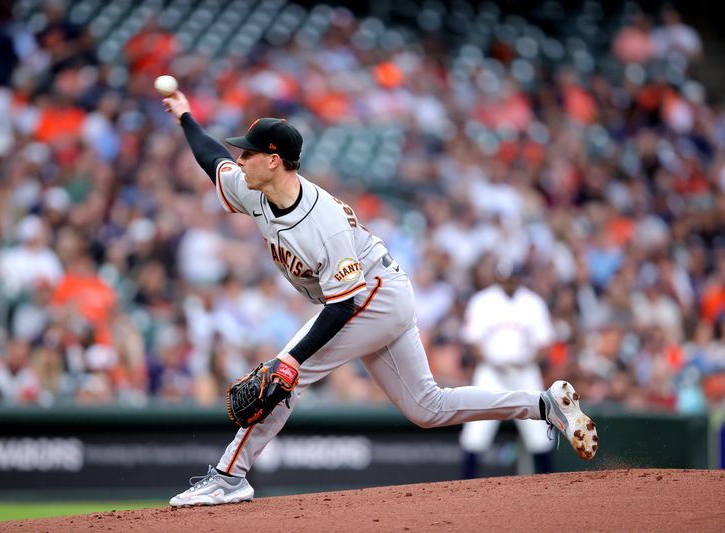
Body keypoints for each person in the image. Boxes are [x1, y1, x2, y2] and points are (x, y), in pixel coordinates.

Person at [161, 90, 598, 506]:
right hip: (374, 295)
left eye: (249, 153)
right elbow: (211, 159)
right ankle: (543, 405)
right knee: (427, 407)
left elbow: (344, 305)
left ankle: (228, 477)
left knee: (285, 376)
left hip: (374, 295)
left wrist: (292, 362)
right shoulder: (253, 190)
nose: (240, 159)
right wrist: (185, 115)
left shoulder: (323, 221)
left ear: (273, 161)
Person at [460, 259, 555, 478]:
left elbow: (544, 343)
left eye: (512, 278)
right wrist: (492, 360)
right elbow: (472, 342)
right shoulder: (482, 301)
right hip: (492, 372)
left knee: (538, 433)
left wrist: (528, 357)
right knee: (476, 431)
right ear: (497, 278)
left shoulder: (532, 302)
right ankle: (464, 485)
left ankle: (552, 486)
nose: (509, 283)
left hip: (525, 371)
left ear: (519, 278)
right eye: (505, 279)